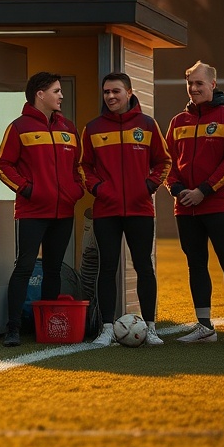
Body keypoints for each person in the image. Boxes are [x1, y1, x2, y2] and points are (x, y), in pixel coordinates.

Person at [79, 72, 170, 346]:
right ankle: (106, 329)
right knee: (107, 268)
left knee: (144, 266)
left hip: (141, 209)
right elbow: (84, 167)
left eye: (116, 91)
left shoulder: (148, 125)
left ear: (129, 93)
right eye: (106, 92)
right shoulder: (93, 128)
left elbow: (164, 162)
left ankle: (151, 328)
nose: (110, 97)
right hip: (106, 211)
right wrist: (98, 189)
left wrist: (148, 186)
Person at [0, 72, 83, 347]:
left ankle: (49, 326)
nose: (61, 95)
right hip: (32, 212)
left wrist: (75, 192)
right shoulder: (18, 127)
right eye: (56, 91)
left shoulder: (68, 127)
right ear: (40, 94)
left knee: (53, 270)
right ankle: (13, 329)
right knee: (24, 267)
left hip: (63, 212)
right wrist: (27, 189)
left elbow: (79, 168)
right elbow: (1, 165)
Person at [167, 62, 224, 344]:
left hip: (218, 203)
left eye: (199, 83)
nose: (194, 89)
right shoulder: (178, 122)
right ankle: (205, 327)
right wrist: (177, 189)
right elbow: (168, 162)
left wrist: (204, 190)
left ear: (213, 85)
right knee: (196, 264)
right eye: (190, 84)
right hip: (185, 206)